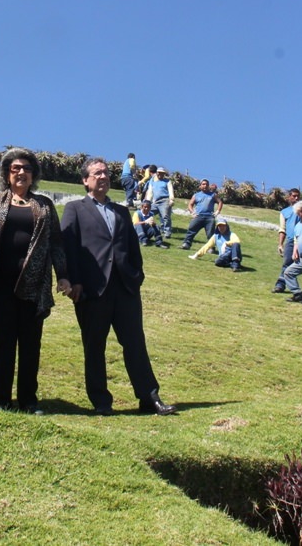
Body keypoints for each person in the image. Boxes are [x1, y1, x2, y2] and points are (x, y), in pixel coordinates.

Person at [61, 157, 177, 416]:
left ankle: (149, 397)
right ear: (85, 180)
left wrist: (137, 277)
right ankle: (101, 401)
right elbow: (67, 247)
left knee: (135, 343)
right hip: (92, 290)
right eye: (96, 173)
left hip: (125, 289)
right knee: (94, 347)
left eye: (105, 173)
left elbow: (133, 249)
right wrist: (73, 280)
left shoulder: (123, 212)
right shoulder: (74, 209)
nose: (103, 176)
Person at [0, 149, 71, 414]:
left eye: (26, 168)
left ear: (33, 174)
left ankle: (28, 401)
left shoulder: (45, 205)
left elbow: (56, 243)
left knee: (30, 346)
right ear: (6, 174)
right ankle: (1, 401)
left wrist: (63, 276)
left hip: (34, 287)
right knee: (3, 344)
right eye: (15, 168)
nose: (21, 172)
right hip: (1, 285)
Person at [180, 179, 223, 250]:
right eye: (203, 184)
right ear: (200, 186)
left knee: (210, 234)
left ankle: (211, 248)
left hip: (209, 217)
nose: (205, 185)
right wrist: (192, 212)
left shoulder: (213, 195)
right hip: (198, 216)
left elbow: (220, 202)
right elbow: (190, 204)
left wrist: (218, 211)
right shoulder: (196, 195)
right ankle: (186, 244)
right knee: (191, 230)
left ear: (208, 186)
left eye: (206, 184)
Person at [273, 188, 301, 293]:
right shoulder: (284, 212)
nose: (296, 198)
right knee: (287, 263)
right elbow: (282, 229)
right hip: (290, 241)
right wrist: (280, 244)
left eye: (298, 196)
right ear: (289, 197)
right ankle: (280, 284)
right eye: (294, 196)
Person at [145, 167, 174, 239]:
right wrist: (148, 201)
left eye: (161, 173)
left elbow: (170, 191)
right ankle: (146, 229)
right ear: (156, 173)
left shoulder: (167, 181)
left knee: (165, 216)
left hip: (165, 201)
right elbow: (150, 192)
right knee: (147, 213)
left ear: (164, 174)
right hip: (155, 202)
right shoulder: (152, 181)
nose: (159, 174)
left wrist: (171, 199)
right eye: (158, 172)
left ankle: (167, 232)